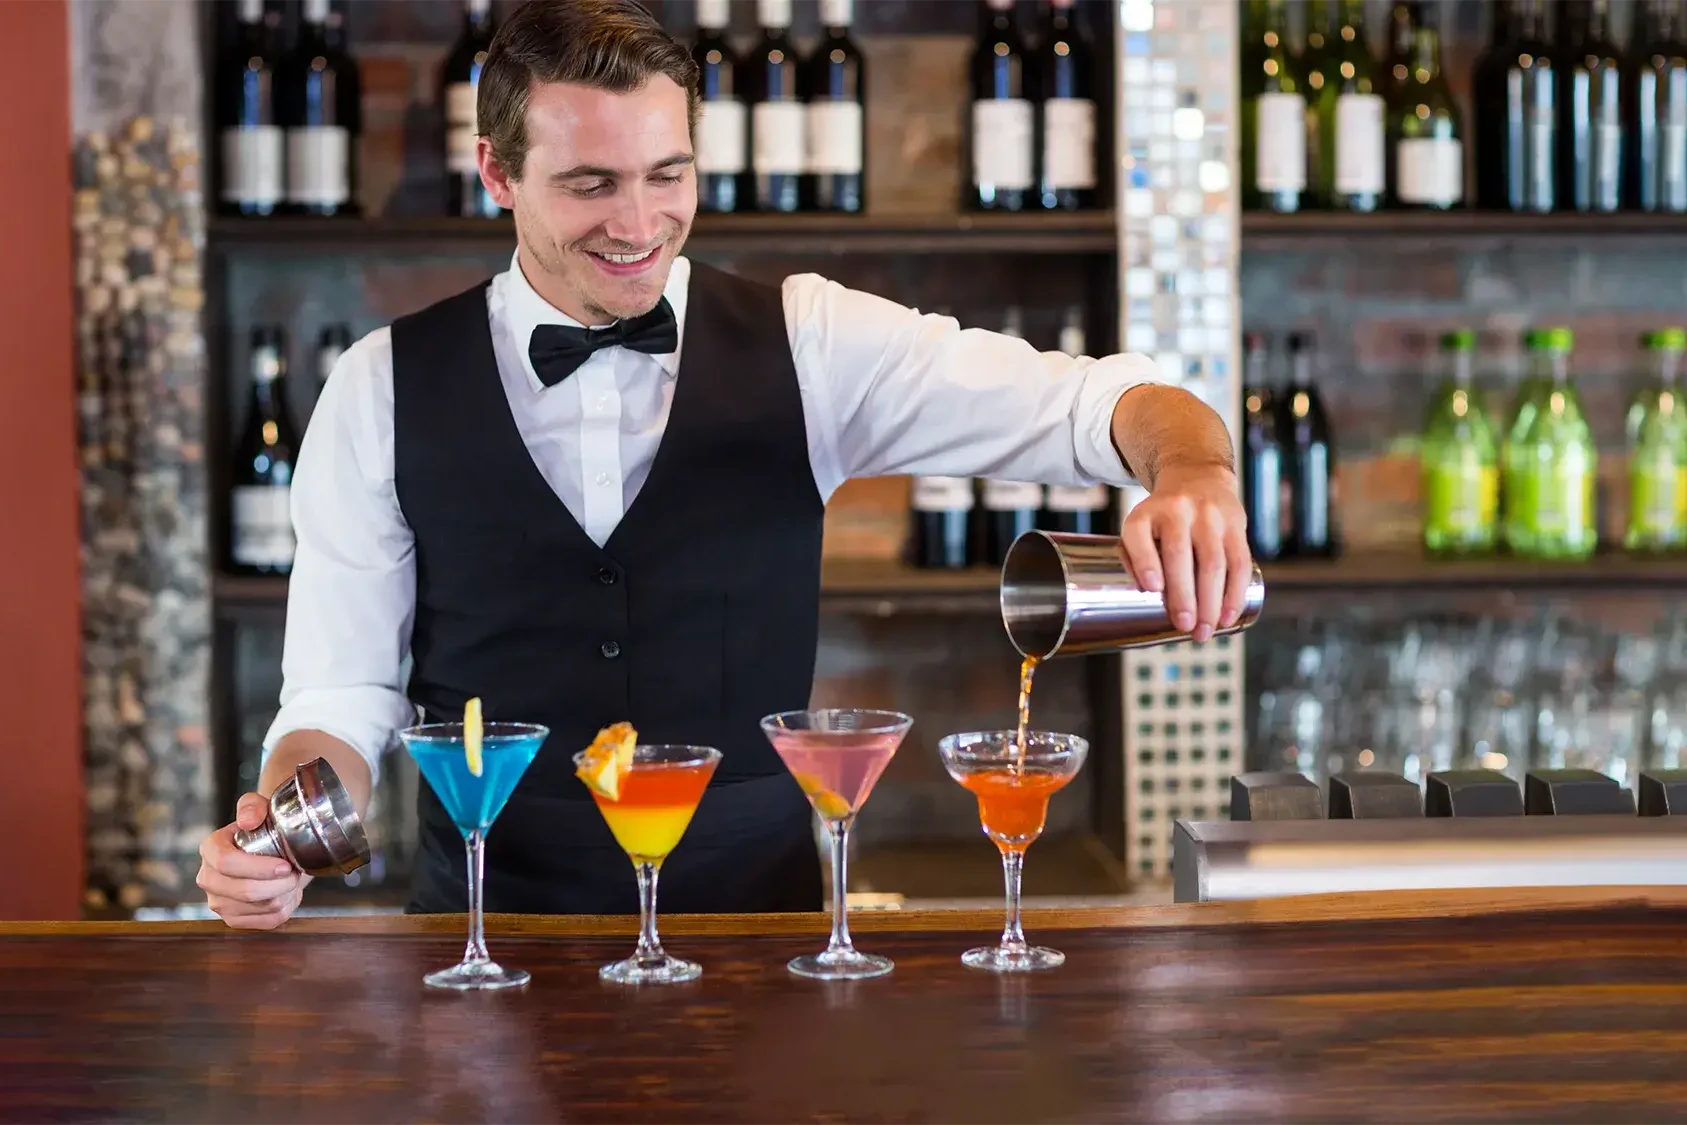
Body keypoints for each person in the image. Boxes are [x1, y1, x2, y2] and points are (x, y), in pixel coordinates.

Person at [196, 0, 1253, 929]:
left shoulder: (811, 343)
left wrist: (1193, 468)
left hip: (757, 937)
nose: (639, 224)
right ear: (497, 173)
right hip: (487, 937)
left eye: (668, 175)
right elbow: (340, 689)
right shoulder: (379, 386)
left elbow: (1098, 404)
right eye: (590, 184)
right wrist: (287, 829)